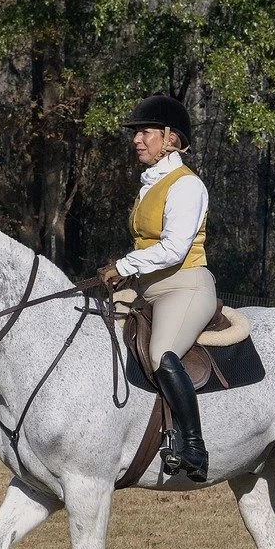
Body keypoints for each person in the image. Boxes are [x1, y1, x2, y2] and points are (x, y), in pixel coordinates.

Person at [97, 94, 214, 480]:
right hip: (148, 287)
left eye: (145, 132)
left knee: (163, 353)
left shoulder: (186, 185)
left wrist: (124, 265)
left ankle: (194, 447)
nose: (136, 139)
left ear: (170, 138)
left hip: (186, 286)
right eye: (136, 133)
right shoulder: (150, 184)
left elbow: (174, 248)